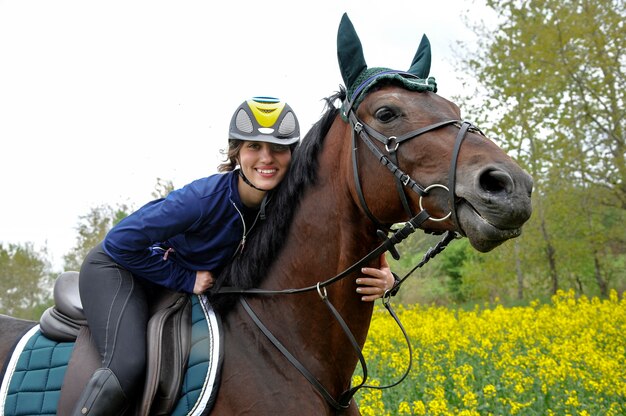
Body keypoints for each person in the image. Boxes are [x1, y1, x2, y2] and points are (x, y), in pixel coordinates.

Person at [73, 97, 396, 415]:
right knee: (128, 363)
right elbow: (120, 241)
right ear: (236, 152)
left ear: (293, 155)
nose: (266, 158)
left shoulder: (284, 206)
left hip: (180, 279)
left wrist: (385, 275)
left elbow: (335, 240)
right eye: (254, 147)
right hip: (117, 270)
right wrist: (185, 279)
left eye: (278, 148)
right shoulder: (202, 199)